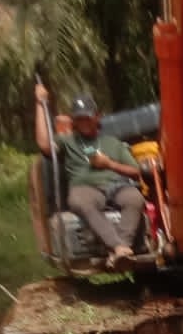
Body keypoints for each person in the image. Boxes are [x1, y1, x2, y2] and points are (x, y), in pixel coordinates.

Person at [34, 84, 147, 269]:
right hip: (84, 188)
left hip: (115, 185)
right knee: (80, 201)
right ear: (74, 122)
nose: (84, 122)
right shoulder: (68, 141)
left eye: (87, 117)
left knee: (134, 198)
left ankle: (123, 248)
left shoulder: (112, 142)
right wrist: (40, 104)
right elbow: (44, 144)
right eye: (80, 119)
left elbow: (136, 171)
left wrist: (109, 164)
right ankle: (117, 247)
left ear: (97, 117)